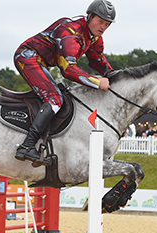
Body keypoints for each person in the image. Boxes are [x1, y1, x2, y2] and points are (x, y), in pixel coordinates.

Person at [13, 0, 115, 166]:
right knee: (55, 98)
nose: (103, 27)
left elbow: (97, 60)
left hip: (42, 61)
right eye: (100, 21)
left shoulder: (94, 37)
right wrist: (97, 82)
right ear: (89, 16)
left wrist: (114, 76)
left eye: (107, 24)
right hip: (27, 57)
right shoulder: (72, 32)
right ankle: (27, 145)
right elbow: (67, 69)